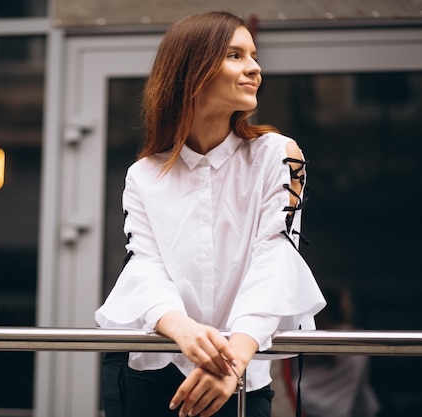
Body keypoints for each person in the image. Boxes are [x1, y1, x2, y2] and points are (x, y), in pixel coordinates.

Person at [95, 10, 326, 417]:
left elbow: (275, 257)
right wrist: (183, 331)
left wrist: (232, 360)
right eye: (235, 55)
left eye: (253, 56)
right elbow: (144, 265)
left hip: (241, 373)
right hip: (154, 368)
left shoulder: (279, 155)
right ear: (193, 70)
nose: (254, 68)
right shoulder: (144, 174)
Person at [282, 281, 380, 417]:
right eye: (348, 300)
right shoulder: (357, 338)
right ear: (339, 306)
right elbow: (360, 389)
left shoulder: (306, 334)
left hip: (300, 403)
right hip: (336, 411)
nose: (351, 305)